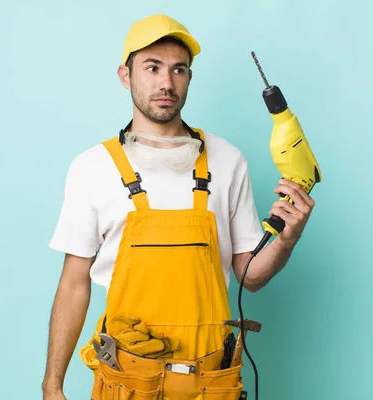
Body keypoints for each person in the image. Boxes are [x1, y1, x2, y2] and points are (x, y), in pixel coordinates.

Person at [41, 13, 315, 400]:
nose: (166, 83)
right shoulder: (92, 167)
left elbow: (249, 277)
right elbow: (73, 282)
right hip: (128, 379)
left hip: (211, 382)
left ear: (189, 77)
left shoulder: (226, 159)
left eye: (178, 70)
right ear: (126, 75)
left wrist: (287, 240)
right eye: (152, 68)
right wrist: (52, 386)